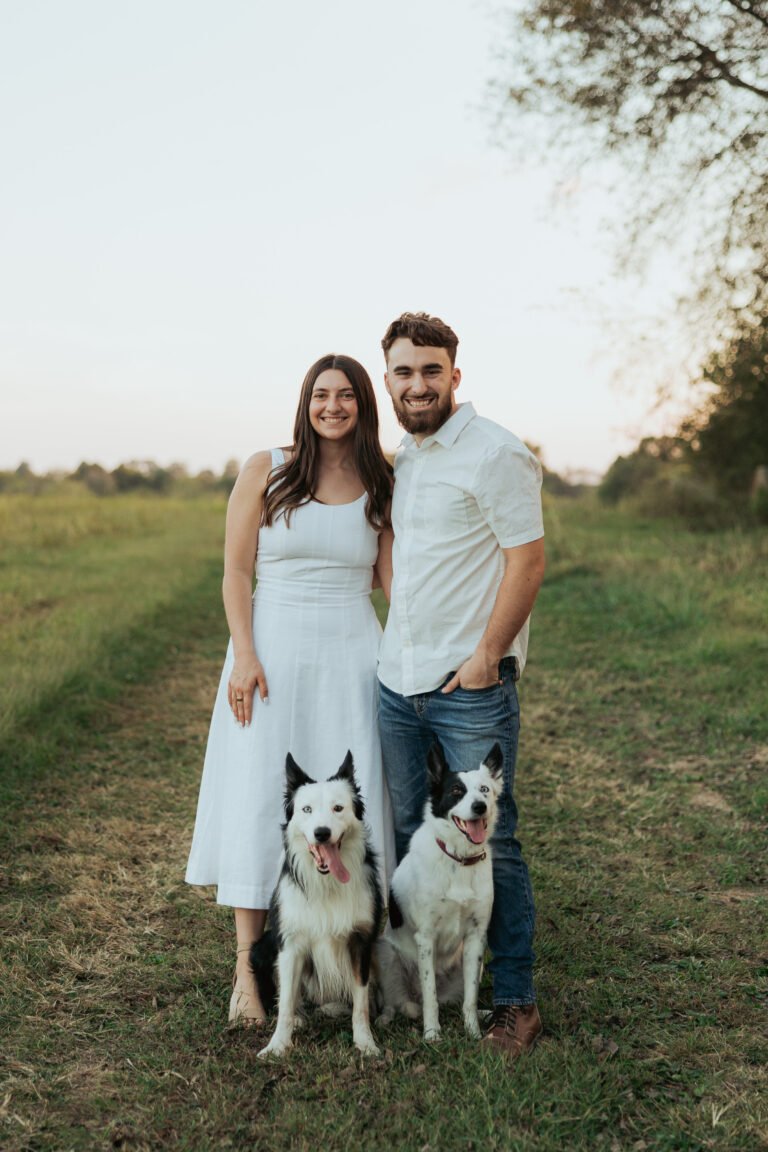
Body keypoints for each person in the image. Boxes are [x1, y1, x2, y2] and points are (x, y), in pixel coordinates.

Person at [185, 354, 396, 1025]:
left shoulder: (380, 481)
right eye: (320, 395)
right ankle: (251, 974)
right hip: (269, 653)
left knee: (352, 802)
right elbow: (234, 570)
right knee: (259, 799)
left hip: (351, 656)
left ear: (364, 404)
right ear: (305, 402)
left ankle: (346, 967)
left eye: (345, 396)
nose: (331, 406)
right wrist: (244, 653)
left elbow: (396, 585)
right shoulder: (266, 468)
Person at [376, 312, 546, 1060]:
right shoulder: (406, 461)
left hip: (469, 685)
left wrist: (486, 655)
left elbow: (528, 560)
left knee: (492, 841)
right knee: (421, 838)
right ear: (389, 379)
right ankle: (422, 981)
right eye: (404, 372)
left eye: (431, 370)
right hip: (396, 685)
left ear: (455, 374)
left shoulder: (495, 453)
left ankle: (513, 1000)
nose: (418, 385)